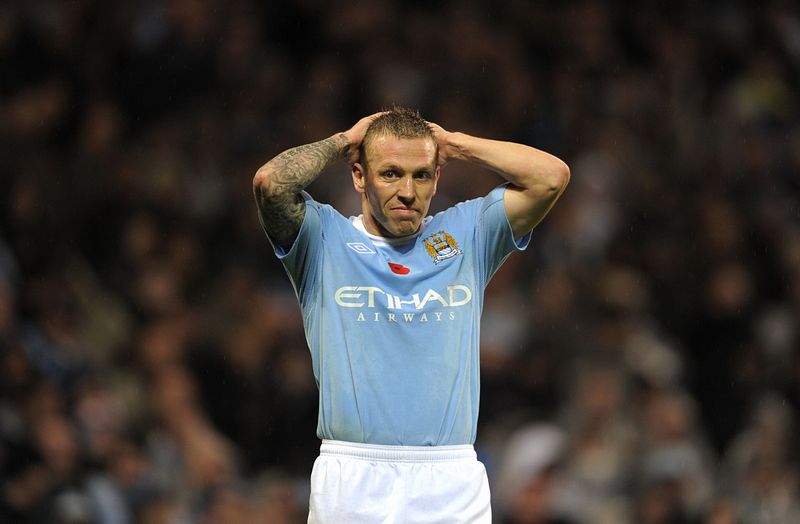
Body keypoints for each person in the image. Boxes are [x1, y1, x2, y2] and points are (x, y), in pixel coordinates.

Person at [252, 107, 569, 523]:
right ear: (359, 175)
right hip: (353, 477)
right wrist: (346, 140)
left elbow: (551, 177)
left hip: (451, 479)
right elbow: (271, 183)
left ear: (437, 178)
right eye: (390, 173)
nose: (407, 191)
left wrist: (455, 144)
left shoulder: (468, 233)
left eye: (421, 175)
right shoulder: (324, 238)